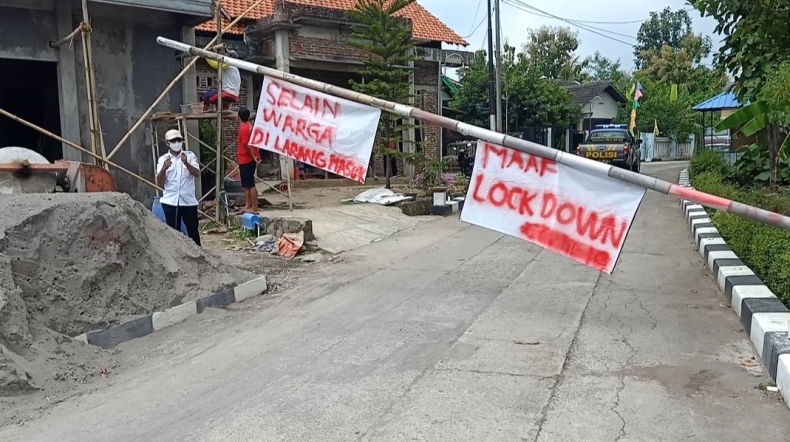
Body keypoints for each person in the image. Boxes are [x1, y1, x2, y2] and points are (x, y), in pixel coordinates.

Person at [156, 129, 202, 246]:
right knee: (173, 234)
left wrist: (186, 163)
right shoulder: (163, 159)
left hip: (188, 202)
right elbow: (159, 182)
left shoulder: (190, 156)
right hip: (170, 201)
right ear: (168, 143)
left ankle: (199, 258)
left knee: (193, 233)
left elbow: (196, 173)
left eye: (178, 140)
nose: (176, 142)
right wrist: (164, 169)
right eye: (173, 140)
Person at [237, 107, 260, 213]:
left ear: (239, 117)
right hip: (245, 159)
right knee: (246, 184)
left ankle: (254, 207)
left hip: (247, 159)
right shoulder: (249, 126)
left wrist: (253, 157)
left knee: (250, 184)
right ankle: (248, 205)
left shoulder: (243, 129)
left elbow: (247, 146)